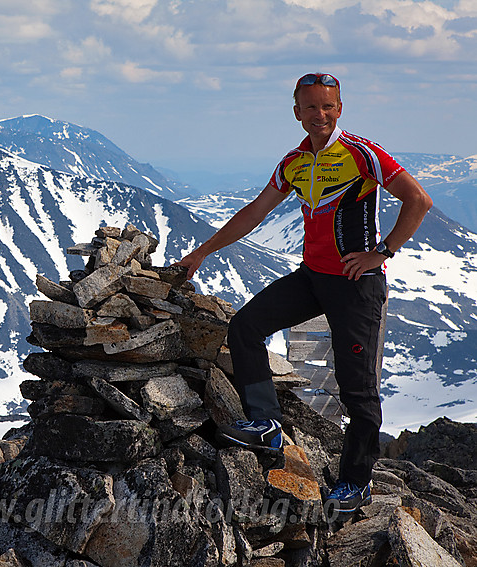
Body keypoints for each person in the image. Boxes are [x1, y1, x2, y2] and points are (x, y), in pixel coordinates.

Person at [174, 72, 433, 513]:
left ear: (340, 108)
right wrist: (202, 252)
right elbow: (255, 211)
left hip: (356, 286)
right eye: (311, 107)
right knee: (245, 326)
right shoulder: (293, 162)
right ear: (297, 113)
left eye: (329, 106)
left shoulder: (361, 154)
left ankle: (356, 482)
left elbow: (418, 200)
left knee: (358, 391)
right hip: (312, 277)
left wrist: (382, 252)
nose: (321, 114)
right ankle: (265, 423)